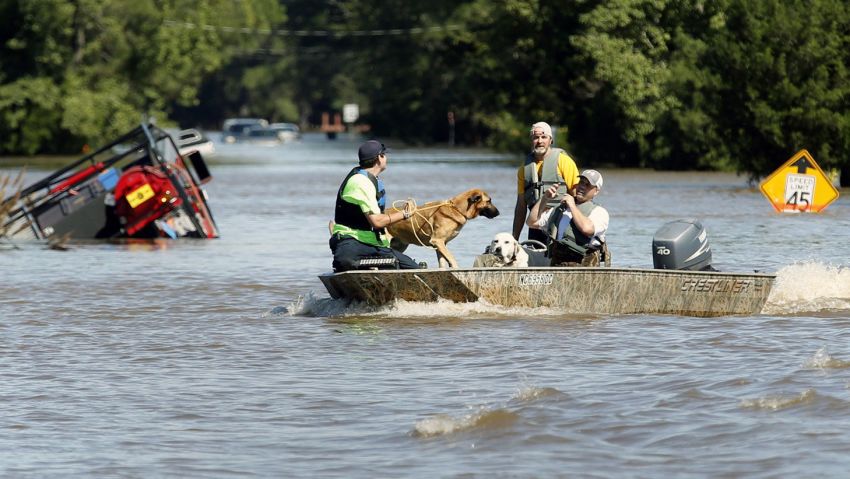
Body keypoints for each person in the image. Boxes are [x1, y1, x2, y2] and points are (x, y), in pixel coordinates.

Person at [329, 140, 421, 272]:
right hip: (351, 243)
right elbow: (377, 222)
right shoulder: (360, 182)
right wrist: (405, 214)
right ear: (379, 158)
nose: (386, 158)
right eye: (384, 154)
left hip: (372, 244)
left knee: (413, 268)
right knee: (347, 262)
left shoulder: (370, 180)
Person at [512, 121, 580, 243]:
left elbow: (577, 196)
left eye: (544, 137)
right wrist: (514, 239)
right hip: (535, 224)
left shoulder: (564, 162)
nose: (539, 141)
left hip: (560, 222)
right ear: (531, 140)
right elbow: (521, 207)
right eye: (535, 137)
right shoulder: (524, 169)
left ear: (550, 140)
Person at [526, 169, 609, 266]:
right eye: (581, 182)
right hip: (558, 266)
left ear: (596, 191)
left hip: (585, 270)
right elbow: (531, 222)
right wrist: (544, 199)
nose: (582, 186)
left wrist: (572, 205)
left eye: (587, 185)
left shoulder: (600, 212)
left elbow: (587, 229)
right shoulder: (561, 209)